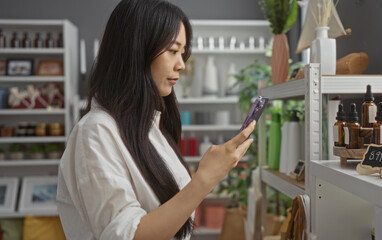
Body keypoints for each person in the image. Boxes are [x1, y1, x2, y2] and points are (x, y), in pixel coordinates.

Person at [56, 0, 255, 239]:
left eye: (183, 53)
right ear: (137, 50)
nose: (181, 64)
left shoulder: (149, 127)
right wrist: (203, 180)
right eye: (173, 51)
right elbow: (127, 234)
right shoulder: (95, 131)